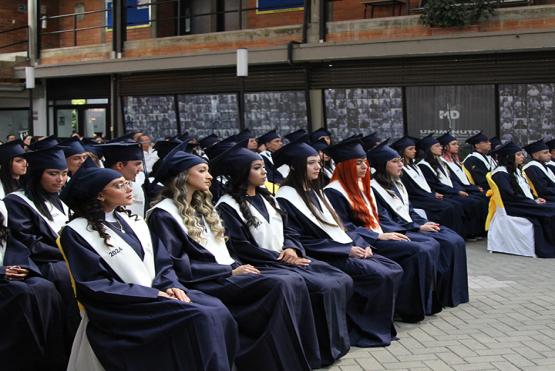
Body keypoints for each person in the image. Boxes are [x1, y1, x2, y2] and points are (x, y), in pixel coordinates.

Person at [147, 145, 333, 370]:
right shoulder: (163, 214)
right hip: (204, 280)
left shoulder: (200, 205)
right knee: (279, 284)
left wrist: (236, 266)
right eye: (202, 171)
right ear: (183, 176)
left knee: (292, 279)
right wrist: (230, 271)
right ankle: (265, 360)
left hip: (227, 271)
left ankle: (294, 359)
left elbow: (225, 250)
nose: (210, 176)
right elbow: (178, 263)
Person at [59, 165, 238, 371]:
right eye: (119, 185)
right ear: (100, 195)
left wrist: (170, 285)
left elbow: (162, 262)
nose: (129, 188)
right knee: (199, 317)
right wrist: (154, 294)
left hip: (158, 293)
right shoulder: (77, 232)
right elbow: (95, 284)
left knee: (217, 309)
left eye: (126, 183)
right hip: (123, 306)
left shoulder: (132, 221)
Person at [212, 142, 353, 364]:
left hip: (287, 257)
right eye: (257, 168)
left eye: (263, 167)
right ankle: (313, 352)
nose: (264, 171)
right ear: (242, 172)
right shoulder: (227, 206)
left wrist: (291, 247)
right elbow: (240, 246)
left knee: (340, 278)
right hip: (266, 263)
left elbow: (288, 229)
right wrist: (279, 257)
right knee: (321, 287)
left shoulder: (268, 196)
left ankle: (332, 346)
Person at [273, 141, 404, 347]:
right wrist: (346, 250)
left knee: (392, 268)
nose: (318, 167)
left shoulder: (315, 191)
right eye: (311, 163)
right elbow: (302, 239)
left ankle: (377, 328)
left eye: (318, 162)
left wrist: (362, 243)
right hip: (326, 255)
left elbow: (342, 226)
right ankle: (362, 331)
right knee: (378, 274)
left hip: (343, 248)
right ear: (296, 166)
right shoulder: (285, 198)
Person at [322, 138, 440, 322]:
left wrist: (394, 231)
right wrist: (379, 235)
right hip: (365, 241)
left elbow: (379, 214)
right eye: (358, 163)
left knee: (428, 245)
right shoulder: (334, 191)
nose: (364, 167)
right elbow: (345, 227)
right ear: (344, 166)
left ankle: (417, 305)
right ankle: (406, 309)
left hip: (378, 234)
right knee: (416, 250)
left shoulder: (362, 185)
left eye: (365, 163)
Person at [368, 142, 469, 308]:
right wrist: (417, 227)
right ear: (381, 165)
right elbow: (383, 220)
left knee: (454, 238)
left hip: (411, 224)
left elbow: (410, 210)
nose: (401, 164)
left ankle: (451, 295)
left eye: (400, 160)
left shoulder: (397, 183)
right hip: (399, 230)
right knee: (443, 243)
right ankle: (434, 299)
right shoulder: (373, 188)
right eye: (395, 161)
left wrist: (422, 222)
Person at [3, 147, 80, 355]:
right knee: (64, 276)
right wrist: (69, 253)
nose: (60, 179)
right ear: (37, 173)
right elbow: (29, 243)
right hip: (43, 262)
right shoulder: (16, 201)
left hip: (67, 257)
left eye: (64, 173)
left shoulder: (64, 198)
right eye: (53, 173)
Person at [0, 201, 67, 371]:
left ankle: (52, 358)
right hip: (5, 282)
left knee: (45, 287)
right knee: (20, 292)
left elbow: (14, 249)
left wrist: (24, 269)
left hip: (9, 275)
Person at [491, 142, 555, 258]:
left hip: (524, 202)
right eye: (519, 155)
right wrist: (532, 202)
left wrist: (536, 198)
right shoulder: (501, 173)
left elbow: (526, 190)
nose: (522, 157)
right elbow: (511, 195)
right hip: (514, 206)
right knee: (552, 210)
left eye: (522, 154)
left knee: (550, 207)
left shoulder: (515, 171)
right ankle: (549, 247)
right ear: (508, 157)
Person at [417, 134, 486, 240]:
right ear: (428, 149)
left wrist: (460, 190)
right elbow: (435, 184)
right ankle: (463, 234)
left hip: (449, 191)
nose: (441, 148)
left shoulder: (438, 162)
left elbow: (451, 180)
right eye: (437, 146)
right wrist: (456, 192)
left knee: (478, 199)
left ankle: (475, 232)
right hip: (441, 193)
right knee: (463, 203)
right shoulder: (423, 165)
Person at [391, 136, 464, 235]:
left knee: (454, 205)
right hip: (416, 199)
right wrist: (432, 195)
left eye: (414, 148)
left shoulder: (414, 166)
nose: (414, 151)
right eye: (410, 149)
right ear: (402, 151)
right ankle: (444, 233)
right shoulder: (402, 171)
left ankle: (457, 234)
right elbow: (412, 190)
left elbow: (424, 185)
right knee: (447, 207)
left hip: (425, 196)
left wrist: (433, 194)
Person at [100, 142, 147, 217]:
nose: (141, 169)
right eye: (137, 164)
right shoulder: (99, 189)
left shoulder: (136, 188)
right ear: (120, 165)